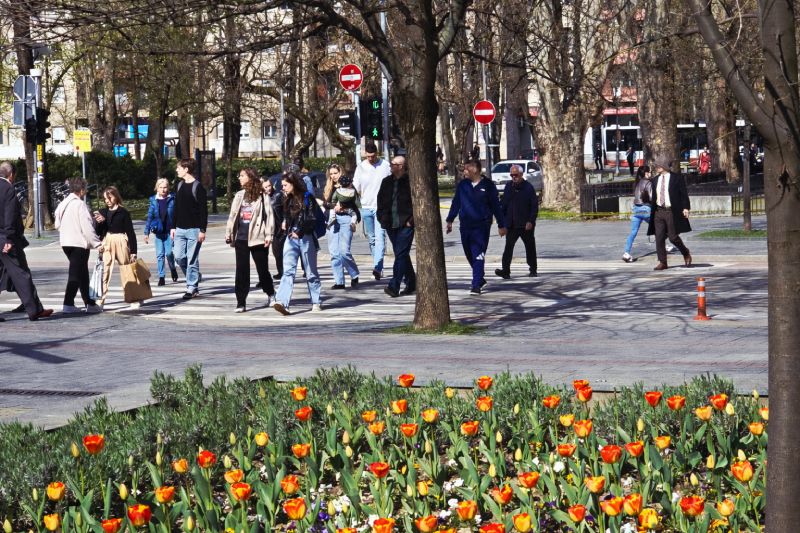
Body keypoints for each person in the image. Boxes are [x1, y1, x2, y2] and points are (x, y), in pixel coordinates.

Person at [0, 161, 53, 320]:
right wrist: (9, 238)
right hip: (6, 239)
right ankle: (34, 309)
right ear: (11, 175)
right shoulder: (8, 188)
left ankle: (35, 307)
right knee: (21, 273)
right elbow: (10, 215)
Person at [446, 159, 506, 295]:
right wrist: (450, 220)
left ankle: (476, 285)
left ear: (474, 169)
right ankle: (480, 277)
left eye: (466, 169)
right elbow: (456, 203)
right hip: (465, 225)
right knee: (469, 254)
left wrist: (502, 225)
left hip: (482, 226)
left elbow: (496, 206)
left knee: (478, 253)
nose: (464, 172)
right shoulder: (463, 185)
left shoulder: (488, 185)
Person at [226, 167, 275, 313]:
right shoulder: (239, 195)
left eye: (242, 175)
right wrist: (229, 232)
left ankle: (271, 293)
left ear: (250, 177)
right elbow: (233, 215)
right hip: (241, 237)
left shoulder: (262, 195)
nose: (239, 178)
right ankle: (241, 302)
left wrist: (269, 235)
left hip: (258, 236)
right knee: (241, 270)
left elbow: (269, 216)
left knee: (262, 269)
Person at [272, 172, 322, 315]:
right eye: (282, 186)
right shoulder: (287, 199)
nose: (283, 188)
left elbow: (311, 219)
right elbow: (286, 216)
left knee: (310, 271)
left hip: (305, 237)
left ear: (294, 184)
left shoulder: (307, 198)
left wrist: (299, 231)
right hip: (291, 237)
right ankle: (282, 301)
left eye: (285, 185)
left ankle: (316, 300)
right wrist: (285, 223)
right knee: (288, 270)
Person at [54, 178, 104, 314]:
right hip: (78, 243)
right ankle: (68, 303)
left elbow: (57, 224)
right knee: (76, 274)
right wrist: (97, 243)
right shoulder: (80, 205)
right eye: (85, 189)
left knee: (81, 272)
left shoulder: (63, 203)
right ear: (81, 190)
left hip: (66, 242)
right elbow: (86, 227)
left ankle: (89, 302)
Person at [94, 186, 142, 309]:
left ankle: (133, 298)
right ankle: (100, 300)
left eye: (109, 198)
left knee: (126, 270)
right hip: (107, 241)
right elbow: (98, 232)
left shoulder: (123, 212)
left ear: (116, 196)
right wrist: (100, 223)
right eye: (105, 199)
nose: (107, 201)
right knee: (105, 271)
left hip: (121, 240)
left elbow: (130, 232)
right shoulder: (103, 212)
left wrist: (133, 251)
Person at [377, 156, 416, 297]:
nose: (390, 166)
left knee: (400, 254)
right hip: (390, 224)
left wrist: (411, 220)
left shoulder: (411, 182)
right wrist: (381, 218)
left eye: (393, 164)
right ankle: (412, 282)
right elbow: (380, 201)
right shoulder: (386, 182)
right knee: (402, 254)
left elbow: (417, 203)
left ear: (401, 166)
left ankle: (394, 285)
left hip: (405, 224)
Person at [171, 158, 207, 300]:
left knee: (192, 259)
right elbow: (176, 208)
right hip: (179, 228)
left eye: (179, 168)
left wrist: (202, 230)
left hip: (194, 230)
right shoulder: (179, 185)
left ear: (186, 169)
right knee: (179, 257)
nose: (176, 170)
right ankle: (195, 276)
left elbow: (204, 211)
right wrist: (173, 227)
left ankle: (191, 287)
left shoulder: (198, 187)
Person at [354, 142, 391, 280]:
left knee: (380, 236)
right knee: (371, 238)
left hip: (381, 207)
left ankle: (377, 267)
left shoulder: (385, 166)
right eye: (368, 156)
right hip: (366, 207)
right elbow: (356, 187)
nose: (371, 159)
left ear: (377, 154)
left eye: (373, 156)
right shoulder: (361, 167)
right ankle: (377, 264)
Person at [648, 157, 692, 271]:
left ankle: (685, 252)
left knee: (673, 237)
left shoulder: (676, 178)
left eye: (658, 165)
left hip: (671, 212)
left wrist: (686, 208)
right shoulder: (655, 180)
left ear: (664, 167)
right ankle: (663, 262)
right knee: (659, 238)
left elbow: (683, 194)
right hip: (658, 212)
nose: (656, 167)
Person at [495, 165, 538, 279]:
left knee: (530, 247)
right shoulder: (509, 186)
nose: (514, 177)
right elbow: (504, 204)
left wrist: (531, 221)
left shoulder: (528, 188)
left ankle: (533, 269)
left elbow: (534, 206)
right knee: (508, 248)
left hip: (525, 224)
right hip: (511, 224)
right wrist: (502, 223)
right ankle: (505, 271)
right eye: (512, 175)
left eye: (516, 175)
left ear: (521, 175)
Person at [325, 170, 361, 290]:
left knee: (344, 251)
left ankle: (354, 274)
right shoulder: (329, 188)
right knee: (334, 253)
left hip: (346, 219)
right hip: (332, 220)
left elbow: (356, 206)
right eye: (331, 173)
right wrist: (333, 206)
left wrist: (346, 210)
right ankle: (339, 281)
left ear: (341, 174)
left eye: (336, 173)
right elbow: (326, 204)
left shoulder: (350, 189)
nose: (333, 175)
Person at [144, 178, 178, 286]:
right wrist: (146, 232)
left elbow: (176, 214)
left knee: (169, 253)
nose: (163, 190)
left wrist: (176, 227)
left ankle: (173, 269)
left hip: (169, 231)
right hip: (158, 231)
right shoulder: (153, 200)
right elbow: (150, 216)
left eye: (165, 187)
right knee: (159, 255)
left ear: (168, 188)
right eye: (160, 187)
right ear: (157, 188)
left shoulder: (172, 199)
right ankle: (161, 277)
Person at [622, 165, 653, 263]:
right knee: (658, 227)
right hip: (646, 209)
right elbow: (652, 198)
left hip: (636, 210)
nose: (651, 174)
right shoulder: (648, 183)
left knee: (633, 232)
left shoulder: (636, 183)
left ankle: (626, 252)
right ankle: (664, 246)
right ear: (646, 173)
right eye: (650, 172)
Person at [262, 178, 285, 280]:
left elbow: (285, 210)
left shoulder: (278, 195)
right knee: (262, 255)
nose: (268, 189)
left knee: (278, 252)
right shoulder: (261, 197)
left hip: (278, 228)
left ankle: (282, 272)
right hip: (264, 228)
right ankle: (263, 277)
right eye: (265, 187)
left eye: (269, 186)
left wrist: (285, 221)